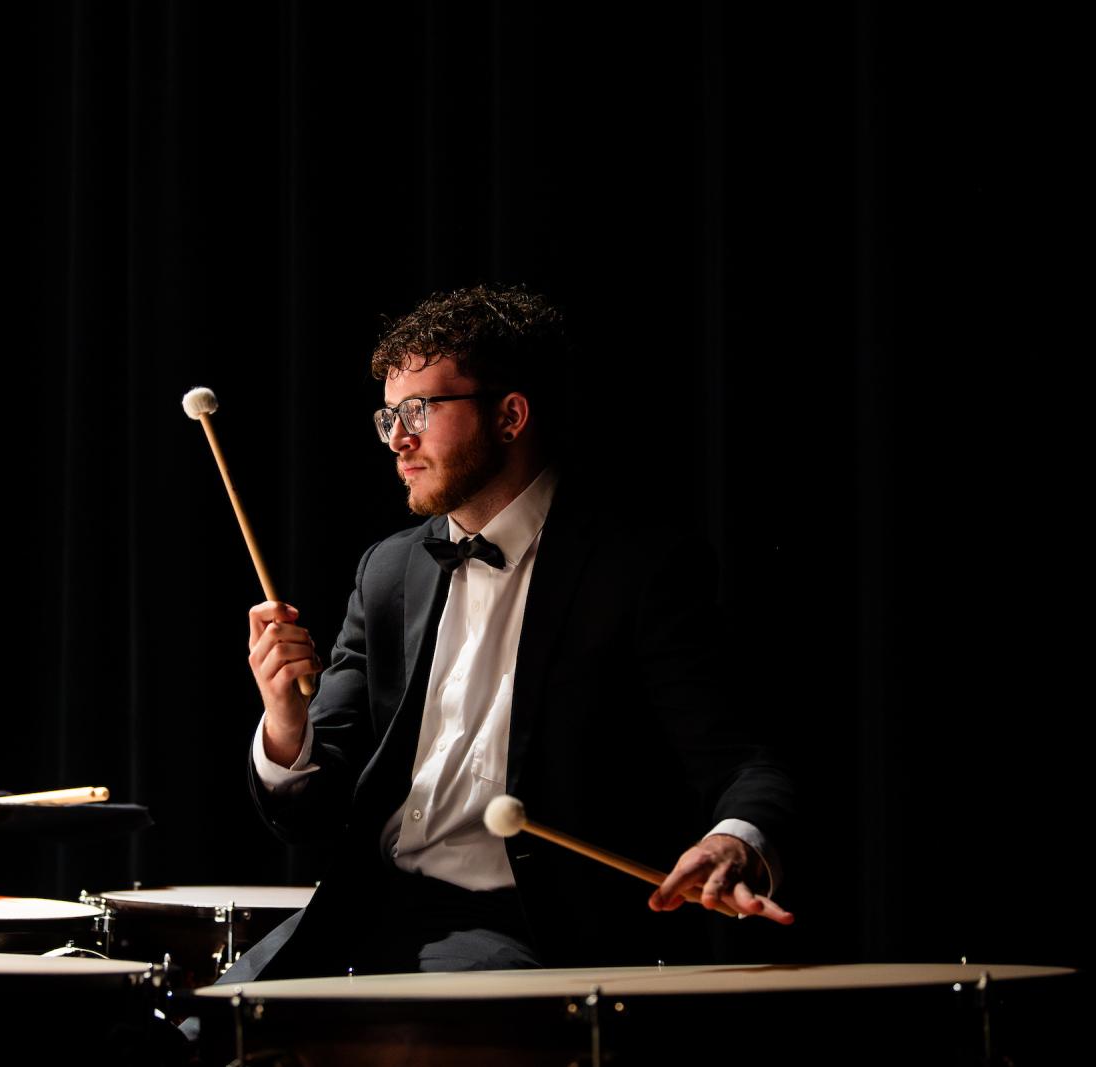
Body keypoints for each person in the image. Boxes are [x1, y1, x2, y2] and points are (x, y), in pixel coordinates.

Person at [237, 284, 796, 980]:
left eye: (420, 410)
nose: (398, 439)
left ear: (509, 415)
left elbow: (743, 761)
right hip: (365, 907)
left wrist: (734, 839)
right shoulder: (389, 570)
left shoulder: (637, 566)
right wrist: (286, 723)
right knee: (188, 1026)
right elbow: (310, 813)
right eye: (389, 416)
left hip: (516, 922)